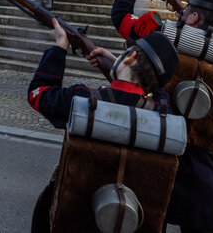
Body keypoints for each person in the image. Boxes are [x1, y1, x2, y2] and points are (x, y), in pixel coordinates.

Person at [111, 0, 213, 233]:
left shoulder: (161, 32)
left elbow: (121, 19)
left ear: (193, 17)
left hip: (159, 158)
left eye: (188, 10)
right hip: (207, 172)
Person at [27, 26, 180, 233]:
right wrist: (123, 64)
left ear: (130, 56)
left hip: (75, 220)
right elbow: (153, 93)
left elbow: (39, 94)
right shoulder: (164, 118)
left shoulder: (80, 97)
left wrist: (60, 46)